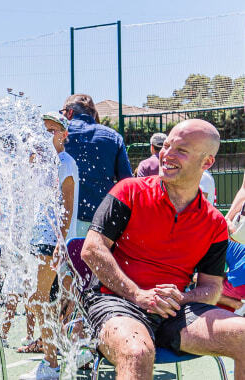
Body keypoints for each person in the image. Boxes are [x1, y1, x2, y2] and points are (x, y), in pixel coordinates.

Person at [81, 119, 245, 380]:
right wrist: (138, 294)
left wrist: (181, 298)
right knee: (137, 352)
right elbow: (92, 250)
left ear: (207, 163)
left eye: (181, 149)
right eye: (166, 146)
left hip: (175, 311)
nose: (166, 154)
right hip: (116, 301)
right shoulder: (129, 191)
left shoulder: (214, 222)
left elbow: (212, 288)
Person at [19, 112, 79, 380]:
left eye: (51, 130)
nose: (45, 136)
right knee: (47, 300)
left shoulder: (65, 162)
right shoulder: (43, 162)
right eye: (42, 130)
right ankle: (56, 359)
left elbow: (67, 207)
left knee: (41, 300)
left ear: (63, 134)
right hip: (41, 238)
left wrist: (60, 242)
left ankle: (51, 364)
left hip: (51, 240)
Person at [62, 94, 133, 237]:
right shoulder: (113, 137)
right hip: (100, 220)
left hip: (64, 220)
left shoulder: (58, 134)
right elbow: (127, 183)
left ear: (69, 113)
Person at [217, 241, 245, 314]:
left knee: (206, 289)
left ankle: (238, 305)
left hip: (241, 283)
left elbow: (218, 273)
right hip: (240, 279)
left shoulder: (211, 248)